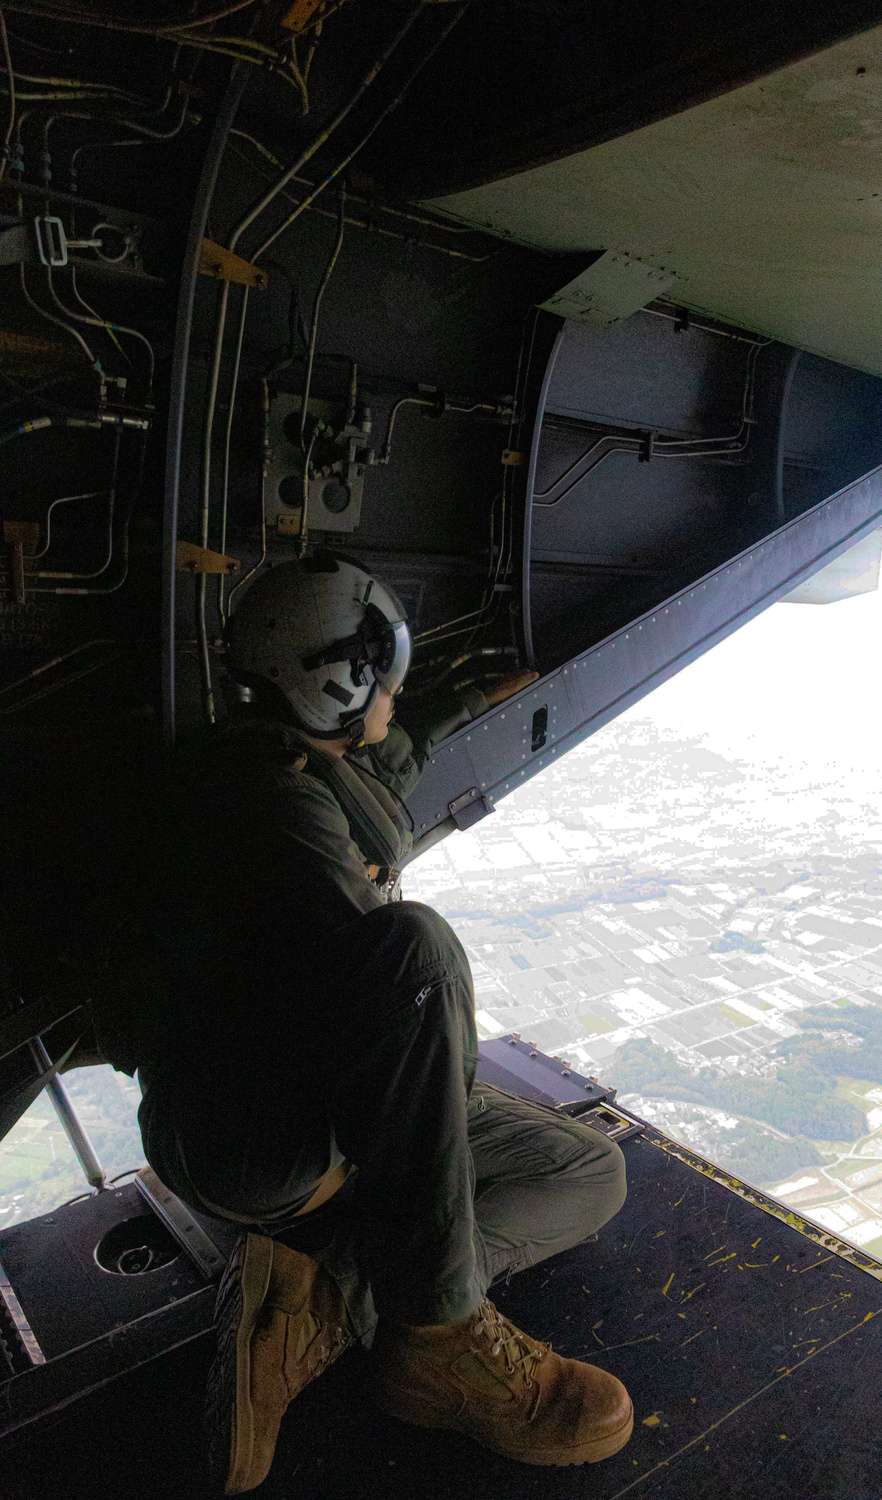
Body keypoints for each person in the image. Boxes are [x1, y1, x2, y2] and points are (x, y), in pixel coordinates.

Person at [95, 551, 632, 1493]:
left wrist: (476, 693)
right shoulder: (270, 811)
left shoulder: (279, 755)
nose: (395, 683)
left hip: (296, 1094)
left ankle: (320, 1310)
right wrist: (445, 1085)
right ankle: (440, 1341)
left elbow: (385, 751)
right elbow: (386, 1005)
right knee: (417, 957)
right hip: (258, 1143)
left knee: (586, 1172)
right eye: (381, 666)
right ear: (335, 680)